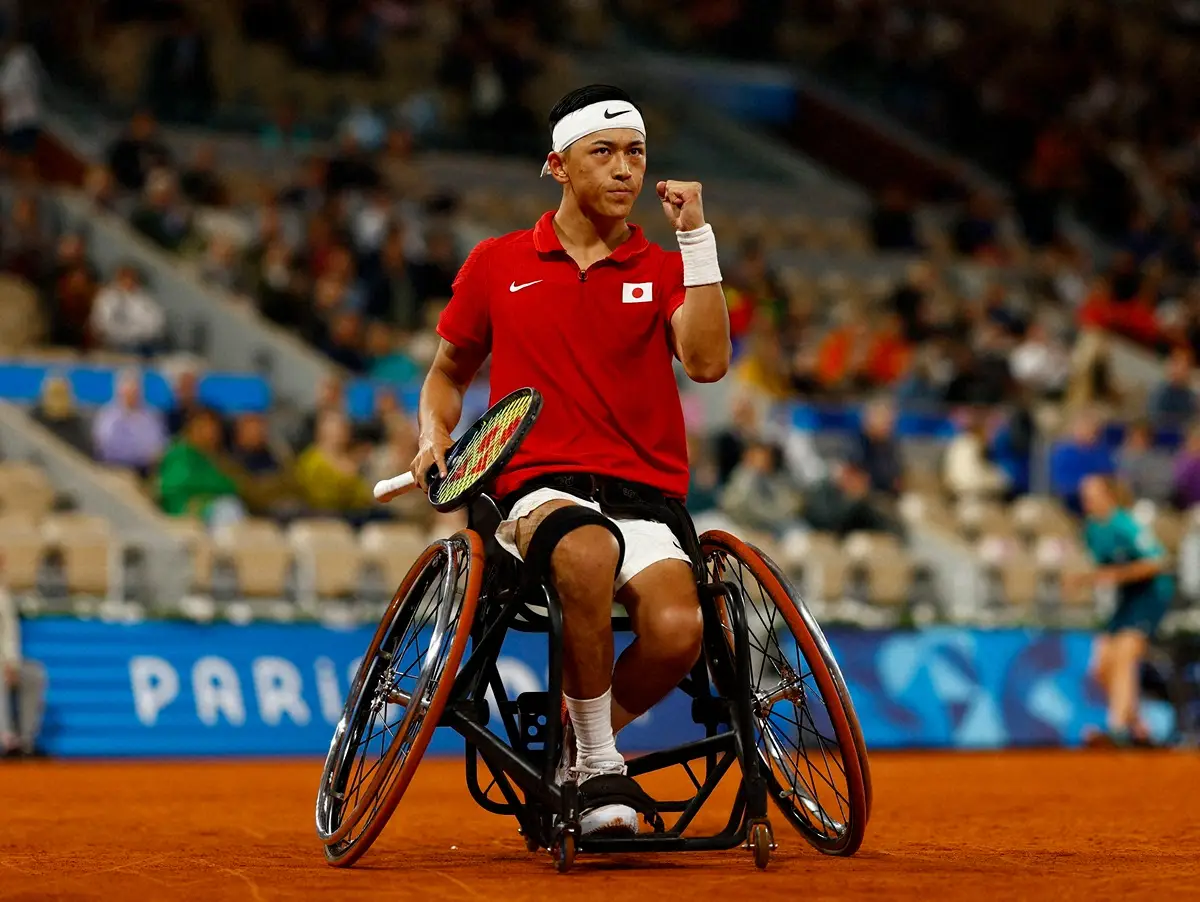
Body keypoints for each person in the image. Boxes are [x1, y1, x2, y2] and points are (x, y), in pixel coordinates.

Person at [407, 85, 730, 838]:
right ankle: (599, 764)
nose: (626, 170)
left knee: (681, 631)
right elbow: (447, 374)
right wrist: (432, 438)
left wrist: (697, 240)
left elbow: (709, 363)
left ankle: (582, 743)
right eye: (605, 153)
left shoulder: (664, 263)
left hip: (644, 497)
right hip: (537, 490)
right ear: (557, 164)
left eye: (637, 153)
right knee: (586, 549)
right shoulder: (497, 262)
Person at [1067, 476, 1173, 747]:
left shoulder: (1125, 524)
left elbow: (1157, 562)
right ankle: (1139, 728)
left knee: (1124, 654)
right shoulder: (1091, 529)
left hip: (1150, 594)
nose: (1085, 500)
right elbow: (1102, 570)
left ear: (1108, 495)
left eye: (1091, 493)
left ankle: (1116, 729)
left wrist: (1116, 575)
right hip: (1125, 598)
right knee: (1102, 666)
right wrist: (1084, 580)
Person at [0, 588, 46, 758]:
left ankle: (26, 742)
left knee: (34, 674)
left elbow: (10, 635)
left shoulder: (2, 596)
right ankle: (6, 740)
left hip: (4, 661)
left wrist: (11, 663)